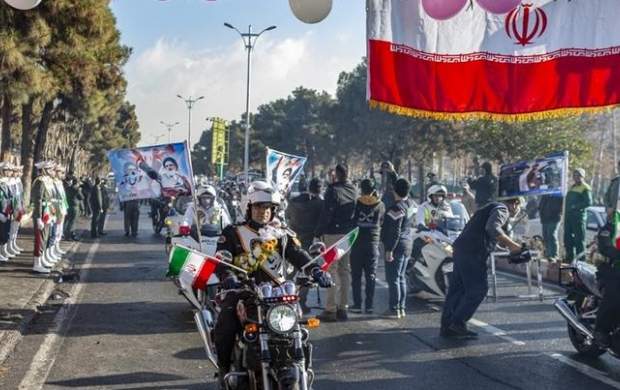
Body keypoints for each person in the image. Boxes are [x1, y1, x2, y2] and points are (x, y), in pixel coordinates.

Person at [213, 180, 333, 384]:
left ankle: (301, 369)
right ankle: (224, 370)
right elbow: (221, 260)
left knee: (300, 332)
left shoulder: (281, 233)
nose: (264, 212)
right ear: (248, 207)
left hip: (279, 295)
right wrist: (229, 277)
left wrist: (316, 270)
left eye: (269, 208)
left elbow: (299, 255)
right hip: (245, 292)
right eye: (259, 207)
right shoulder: (232, 233)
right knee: (226, 320)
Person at [441, 197, 525, 338]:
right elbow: (492, 228)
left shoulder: (489, 207)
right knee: (478, 290)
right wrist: (514, 246)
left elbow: (486, 236)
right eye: (519, 206)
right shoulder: (502, 209)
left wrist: (506, 250)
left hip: (461, 249)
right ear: (515, 204)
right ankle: (457, 323)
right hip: (473, 253)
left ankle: (447, 326)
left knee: (458, 290)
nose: (518, 209)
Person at [315, 164, 358, 322]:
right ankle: (343, 307)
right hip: (348, 234)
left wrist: (318, 232)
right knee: (344, 271)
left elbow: (327, 213)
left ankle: (330, 308)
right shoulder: (353, 190)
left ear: (336, 174)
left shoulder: (332, 190)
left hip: (332, 233)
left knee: (331, 270)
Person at [286, 178, 324, 314]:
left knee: (291, 271)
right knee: (307, 270)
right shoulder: (319, 204)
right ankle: (301, 300)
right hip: (309, 240)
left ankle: (288, 297)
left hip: (293, 239)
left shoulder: (292, 203)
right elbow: (321, 221)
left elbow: (287, 217)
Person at [381, 178, 416, 319]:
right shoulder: (412, 204)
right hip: (408, 242)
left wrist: (389, 249)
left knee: (393, 278)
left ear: (395, 190)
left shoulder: (397, 207)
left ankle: (394, 308)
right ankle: (401, 308)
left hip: (397, 245)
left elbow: (394, 231)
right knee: (401, 277)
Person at [350, 179, 385, 314]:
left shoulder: (356, 203)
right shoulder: (380, 205)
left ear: (361, 189)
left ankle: (357, 305)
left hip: (357, 243)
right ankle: (369, 305)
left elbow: (352, 220)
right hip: (373, 243)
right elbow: (381, 222)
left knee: (356, 276)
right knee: (371, 275)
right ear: (373, 189)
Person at [593, 216, 620, 348]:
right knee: (614, 296)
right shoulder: (614, 224)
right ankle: (601, 331)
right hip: (611, 271)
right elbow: (605, 244)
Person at [411, 184, 454, 264]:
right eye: (436, 196)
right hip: (427, 233)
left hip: (442, 234)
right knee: (421, 242)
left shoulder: (447, 207)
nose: (438, 198)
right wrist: (422, 226)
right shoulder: (423, 207)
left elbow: (452, 221)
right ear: (430, 196)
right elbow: (419, 221)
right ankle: (415, 264)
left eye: (441, 196)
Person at [31, 161, 56, 273]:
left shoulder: (48, 181)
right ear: (44, 170)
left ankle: (41, 261)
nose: (52, 171)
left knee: (44, 238)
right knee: (40, 239)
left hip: (47, 212)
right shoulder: (40, 182)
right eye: (49, 169)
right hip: (41, 214)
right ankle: (37, 263)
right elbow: (38, 201)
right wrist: (37, 218)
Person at [563, 168, 592, 262]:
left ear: (582, 177)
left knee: (579, 241)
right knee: (567, 239)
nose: (576, 177)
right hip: (568, 217)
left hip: (578, 218)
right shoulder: (572, 187)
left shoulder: (585, 187)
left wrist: (575, 207)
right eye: (574, 175)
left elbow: (588, 202)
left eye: (578, 176)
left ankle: (581, 261)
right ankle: (569, 258)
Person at [538, 194, 563, 261]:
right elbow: (541, 204)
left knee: (551, 235)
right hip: (545, 218)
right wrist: (540, 211)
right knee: (545, 236)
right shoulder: (546, 193)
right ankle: (548, 255)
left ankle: (554, 255)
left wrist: (558, 212)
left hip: (554, 218)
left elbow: (562, 205)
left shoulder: (559, 193)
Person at [64, 176, 83, 241]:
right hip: (75, 206)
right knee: (72, 222)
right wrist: (80, 190)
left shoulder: (68, 188)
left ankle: (71, 235)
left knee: (69, 221)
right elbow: (81, 197)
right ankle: (68, 236)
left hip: (68, 206)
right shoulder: (77, 189)